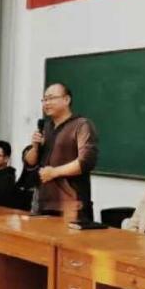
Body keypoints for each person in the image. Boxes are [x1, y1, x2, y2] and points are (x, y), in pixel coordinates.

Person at [24, 83, 98, 220]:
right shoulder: (46, 127)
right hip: (43, 202)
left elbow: (86, 162)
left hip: (72, 205)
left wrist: (54, 172)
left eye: (51, 98)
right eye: (44, 99)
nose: (47, 103)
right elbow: (30, 162)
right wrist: (35, 147)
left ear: (66, 100)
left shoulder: (81, 125)